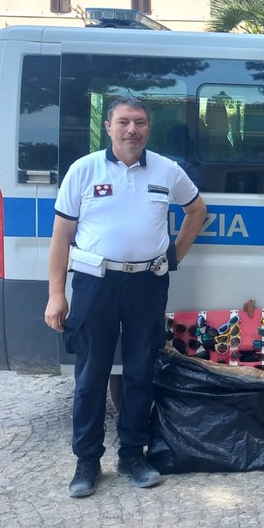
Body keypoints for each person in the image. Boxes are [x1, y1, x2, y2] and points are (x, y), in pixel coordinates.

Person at [45, 96, 207, 497]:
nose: (131, 129)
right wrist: (55, 294)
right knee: (90, 377)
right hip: (95, 284)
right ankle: (87, 461)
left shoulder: (167, 170)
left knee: (140, 373)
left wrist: (173, 255)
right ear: (108, 127)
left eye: (140, 122)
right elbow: (61, 237)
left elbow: (196, 211)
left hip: (147, 284)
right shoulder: (84, 170)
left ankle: (133, 455)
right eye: (123, 122)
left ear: (149, 128)